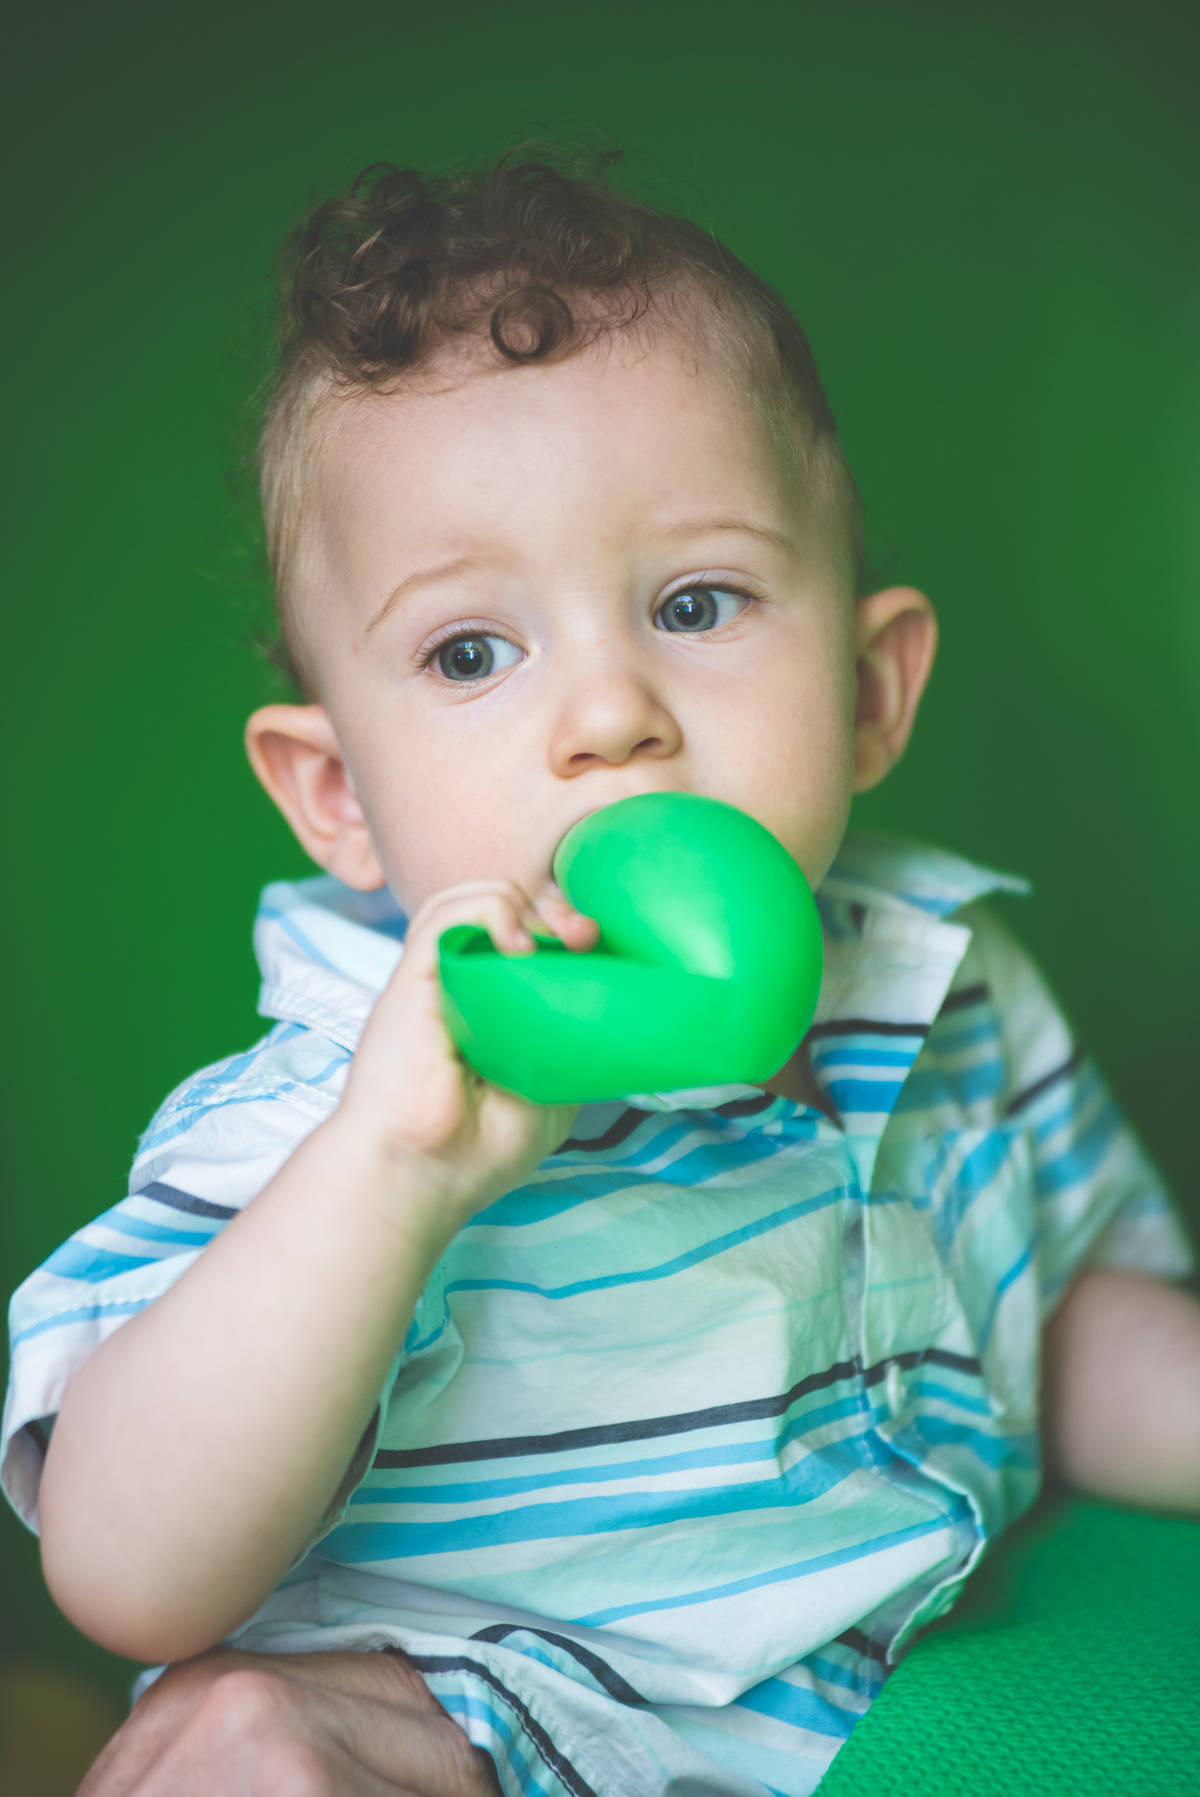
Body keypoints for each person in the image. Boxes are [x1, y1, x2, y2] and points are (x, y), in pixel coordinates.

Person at [5, 153, 1199, 1797]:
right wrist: (393, 1176)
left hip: (844, 1726)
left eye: (695, 602)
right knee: (247, 1754)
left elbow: (1058, 1328)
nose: (609, 712)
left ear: (867, 692)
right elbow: (125, 1566)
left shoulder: (946, 982)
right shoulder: (341, 1104)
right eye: (472, 652)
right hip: (452, 1727)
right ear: (340, 793)